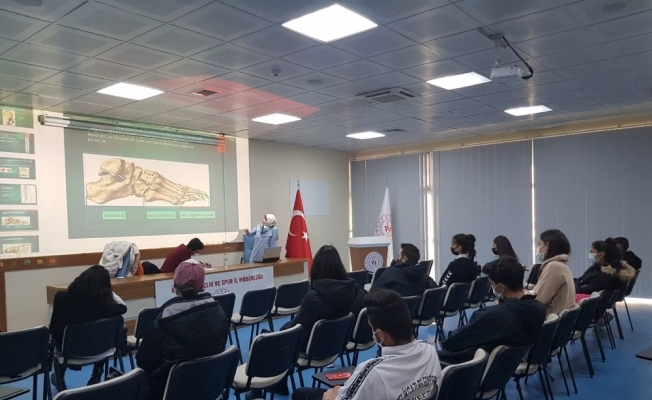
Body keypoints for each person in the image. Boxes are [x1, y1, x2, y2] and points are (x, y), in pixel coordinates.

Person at [291, 289, 441, 400]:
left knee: (301, 394)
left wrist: (328, 397)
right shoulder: (430, 351)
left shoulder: (373, 372)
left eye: (371, 328)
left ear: (381, 334)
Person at [136, 261, 229, 400]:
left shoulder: (162, 322)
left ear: (174, 286)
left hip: (167, 392)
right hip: (210, 389)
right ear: (202, 286)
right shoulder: (220, 315)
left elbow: (143, 362)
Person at [439, 257, 547, 364]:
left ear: (500, 287)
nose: (491, 287)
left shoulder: (492, 315)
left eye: (492, 284)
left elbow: (452, 342)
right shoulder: (539, 309)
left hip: (478, 367)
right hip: (506, 366)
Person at [49, 265, 127, 387]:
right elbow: (123, 307)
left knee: (59, 339)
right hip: (100, 351)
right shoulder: (104, 306)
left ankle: (59, 375)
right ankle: (96, 374)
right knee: (101, 333)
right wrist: (108, 291)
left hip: (68, 352)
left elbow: (54, 329)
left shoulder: (60, 298)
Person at [532, 229, 576, 316]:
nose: (538, 248)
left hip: (548, 319)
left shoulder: (553, 266)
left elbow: (538, 300)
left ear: (547, 246)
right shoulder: (562, 265)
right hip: (557, 319)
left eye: (539, 244)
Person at [371, 243, 436, 296]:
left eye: (399, 256)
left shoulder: (392, 272)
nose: (397, 258)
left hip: (393, 307)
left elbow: (373, 292)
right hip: (415, 308)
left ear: (404, 259)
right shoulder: (422, 275)